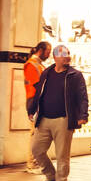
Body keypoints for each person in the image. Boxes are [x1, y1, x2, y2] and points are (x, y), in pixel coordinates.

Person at [28, 43, 89, 181]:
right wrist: (32, 109)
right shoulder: (47, 73)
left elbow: (82, 97)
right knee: (36, 149)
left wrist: (83, 115)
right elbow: (38, 93)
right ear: (55, 57)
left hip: (64, 119)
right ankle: (50, 175)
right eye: (63, 54)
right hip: (44, 118)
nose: (67, 57)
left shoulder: (75, 75)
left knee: (62, 154)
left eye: (68, 54)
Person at [23, 42, 51, 173]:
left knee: (38, 133)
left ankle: (35, 162)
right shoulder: (32, 64)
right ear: (41, 50)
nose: (49, 54)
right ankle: (32, 164)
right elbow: (36, 86)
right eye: (48, 51)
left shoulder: (38, 64)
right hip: (34, 101)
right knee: (34, 134)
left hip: (39, 101)